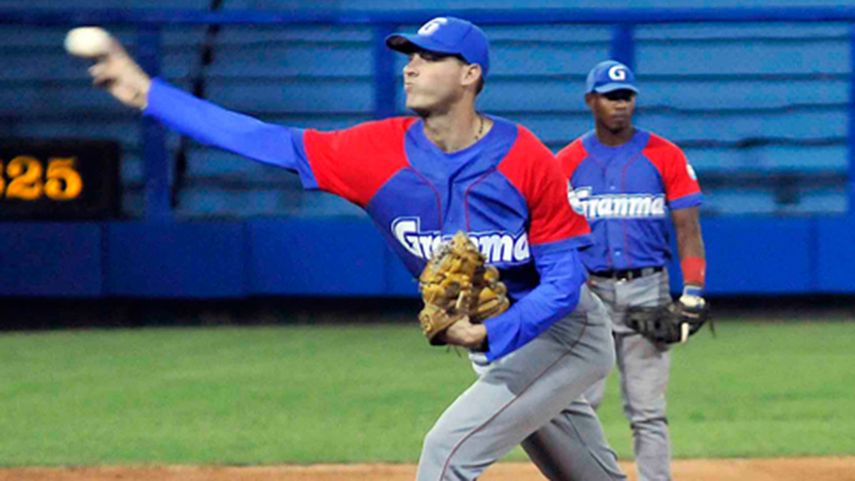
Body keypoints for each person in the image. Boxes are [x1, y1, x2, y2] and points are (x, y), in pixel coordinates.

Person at [83, 17, 626, 481]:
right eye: (410, 56)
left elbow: (563, 282)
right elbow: (260, 139)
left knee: (446, 453)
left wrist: (490, 332)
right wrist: (149, 93)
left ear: (470, 75)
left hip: (565, 334)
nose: (411, 67)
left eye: (430, 57)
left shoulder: (523, 156)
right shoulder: (374, 153)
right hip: (500, 349)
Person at [557, 60, 707, 481]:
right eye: (610, 97)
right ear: (591, 100)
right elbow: (551, 234)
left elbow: (688, 228)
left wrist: (693, 290)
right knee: (580, 406)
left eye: (626, 97)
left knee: (648, 410)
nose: (620, 104)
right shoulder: (567, 161)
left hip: (648, 289)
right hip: (588, 295)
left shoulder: (665, 155)